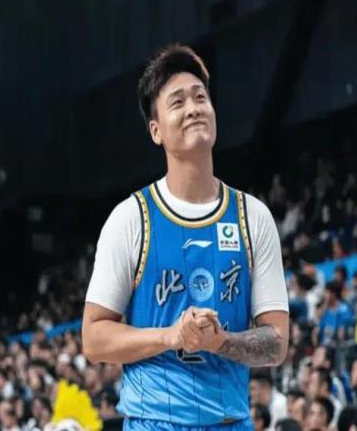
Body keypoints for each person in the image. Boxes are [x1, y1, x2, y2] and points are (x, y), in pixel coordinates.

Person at [82, 44, 290, 429]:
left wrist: (219, 342)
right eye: (177, 102)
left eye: (200, 97)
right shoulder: (131, 218)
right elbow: (94, 340)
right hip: (154, 421)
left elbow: (277, 343)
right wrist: (171, 336)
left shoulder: (253, 217)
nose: (193, 108)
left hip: (230, 421)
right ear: (156, 130)